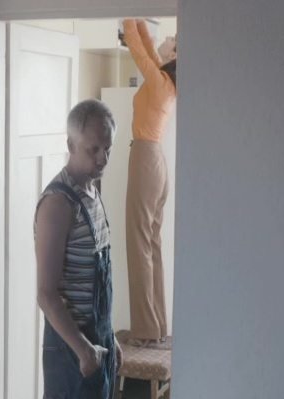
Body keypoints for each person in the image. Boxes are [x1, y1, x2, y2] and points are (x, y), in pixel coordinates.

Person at [35, 99, 124, 399]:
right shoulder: (58, 204)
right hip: (72, 350)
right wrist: (84, 349)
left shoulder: (92, 192)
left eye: (108, 148)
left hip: (97, 340)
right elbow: (46, 294)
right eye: (93, 149)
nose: (102, 158)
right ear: (70, 144)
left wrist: (109, 337)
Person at [122, 19, 177, 347]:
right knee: (150, 244)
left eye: (172, 39)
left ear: (174, 54)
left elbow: (136, 47)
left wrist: (129, 16)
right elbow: (147, 48)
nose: (167, 37)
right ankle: (155, 326)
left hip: (145, 159)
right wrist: (140, 20)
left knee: (138, 244)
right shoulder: (165, 80)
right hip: (156, 161)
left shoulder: (159, 81)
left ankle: (143, 329)